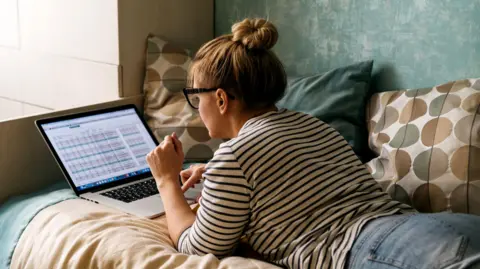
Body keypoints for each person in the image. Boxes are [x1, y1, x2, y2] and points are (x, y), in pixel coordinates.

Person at [146, 18, 480, 269]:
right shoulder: (308, 123)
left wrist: (165, 181)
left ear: (220, 100)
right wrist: (220, 177)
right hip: (435, 224)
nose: (196, 107)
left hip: (378, 249)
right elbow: (291, 181)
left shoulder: (233, 156)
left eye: (195, 96)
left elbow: (196, 249)